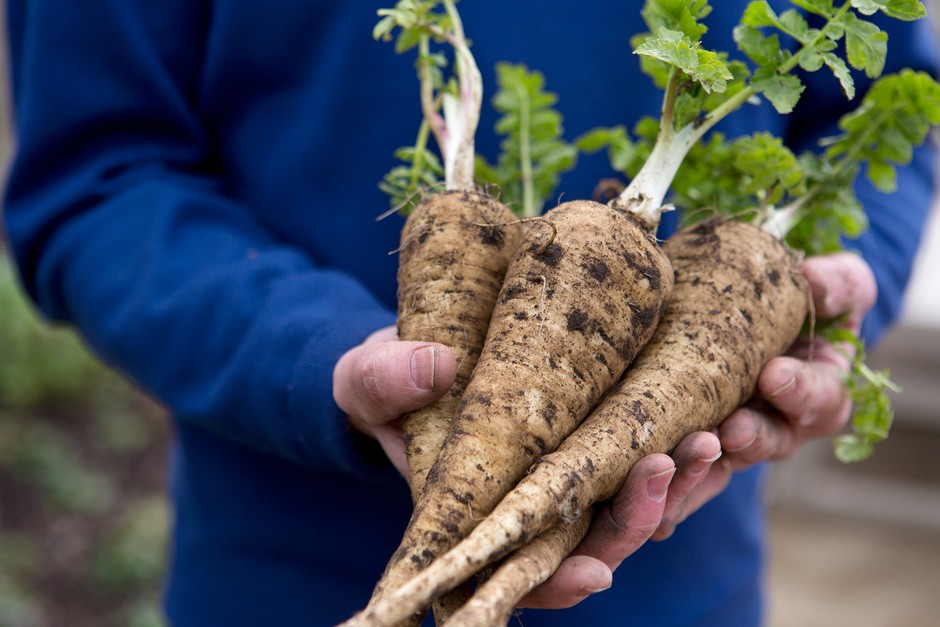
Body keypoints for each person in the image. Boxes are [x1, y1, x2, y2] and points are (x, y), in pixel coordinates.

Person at [2, 1, 937, 625]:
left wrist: (833, 291)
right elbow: (99, 176)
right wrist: (313, 353)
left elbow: (893, 117)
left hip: (684, 567)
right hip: (276, 567)